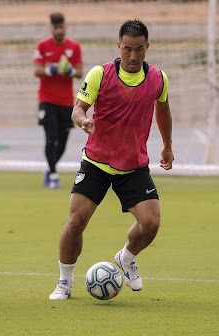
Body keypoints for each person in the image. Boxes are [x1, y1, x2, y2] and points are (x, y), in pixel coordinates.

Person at [48, 19, 174, 300]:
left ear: (147, 47)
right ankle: (64, 282)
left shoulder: (158, 78)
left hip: (134, 166)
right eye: (127, 49)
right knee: (76, 222)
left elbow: (163, 112)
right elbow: (77, 109)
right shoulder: (100, 74)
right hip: (96, 162)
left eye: (139, 49)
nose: (133, 56)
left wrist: (167, 146)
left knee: (151, 223)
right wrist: (83, 121)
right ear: (119, 46)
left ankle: (127, 257)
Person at [33, 12, 83, 189]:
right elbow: (37, 70)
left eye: (61, 27)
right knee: (50, 137)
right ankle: (53, 174)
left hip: (66, 101)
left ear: (65, 27)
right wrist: (49, 70)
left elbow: (79, 72)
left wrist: (69, 70)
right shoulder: (42, 46)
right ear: (50, 28)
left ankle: (49, 167)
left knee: (63, 140)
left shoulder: (74, 47)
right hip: (47, 99)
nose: (59, 31)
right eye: (56, 27)